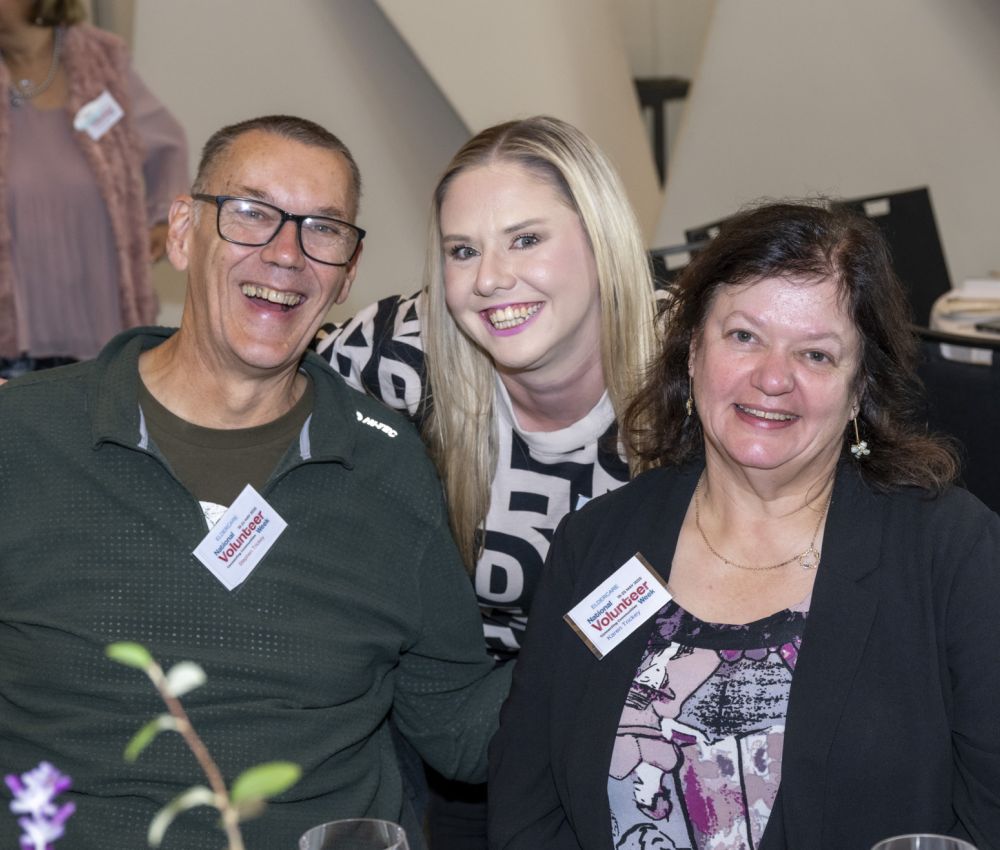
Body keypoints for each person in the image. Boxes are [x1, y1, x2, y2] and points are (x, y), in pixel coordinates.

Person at [0, 115, 509, 850]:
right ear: (181, 232)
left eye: (323, 230)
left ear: (347, 274)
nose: (285, 254)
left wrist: (625, 591)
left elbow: (458, 726)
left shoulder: (385, 467)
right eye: (250, 214)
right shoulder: (25, 438)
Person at [488, 201, 1000, 850]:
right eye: (744, 336)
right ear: (693, 350)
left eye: (815, 354)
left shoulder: (953, 555)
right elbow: (525, 812)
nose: (773, 378)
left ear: (859, 387)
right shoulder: (597, 543)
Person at [314, 115, 666, 847]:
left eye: (526, 239)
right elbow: (244, 386)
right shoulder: (398, 354)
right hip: (453, 740)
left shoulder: (691, 371)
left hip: (639, 733)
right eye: (462, 250)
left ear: (601, 242)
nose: (490, 279)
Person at [0, 0, 187, 379]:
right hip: (9, 343)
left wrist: (162, 221)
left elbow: (169, 143)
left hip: (100, 336)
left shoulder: (102, 61)